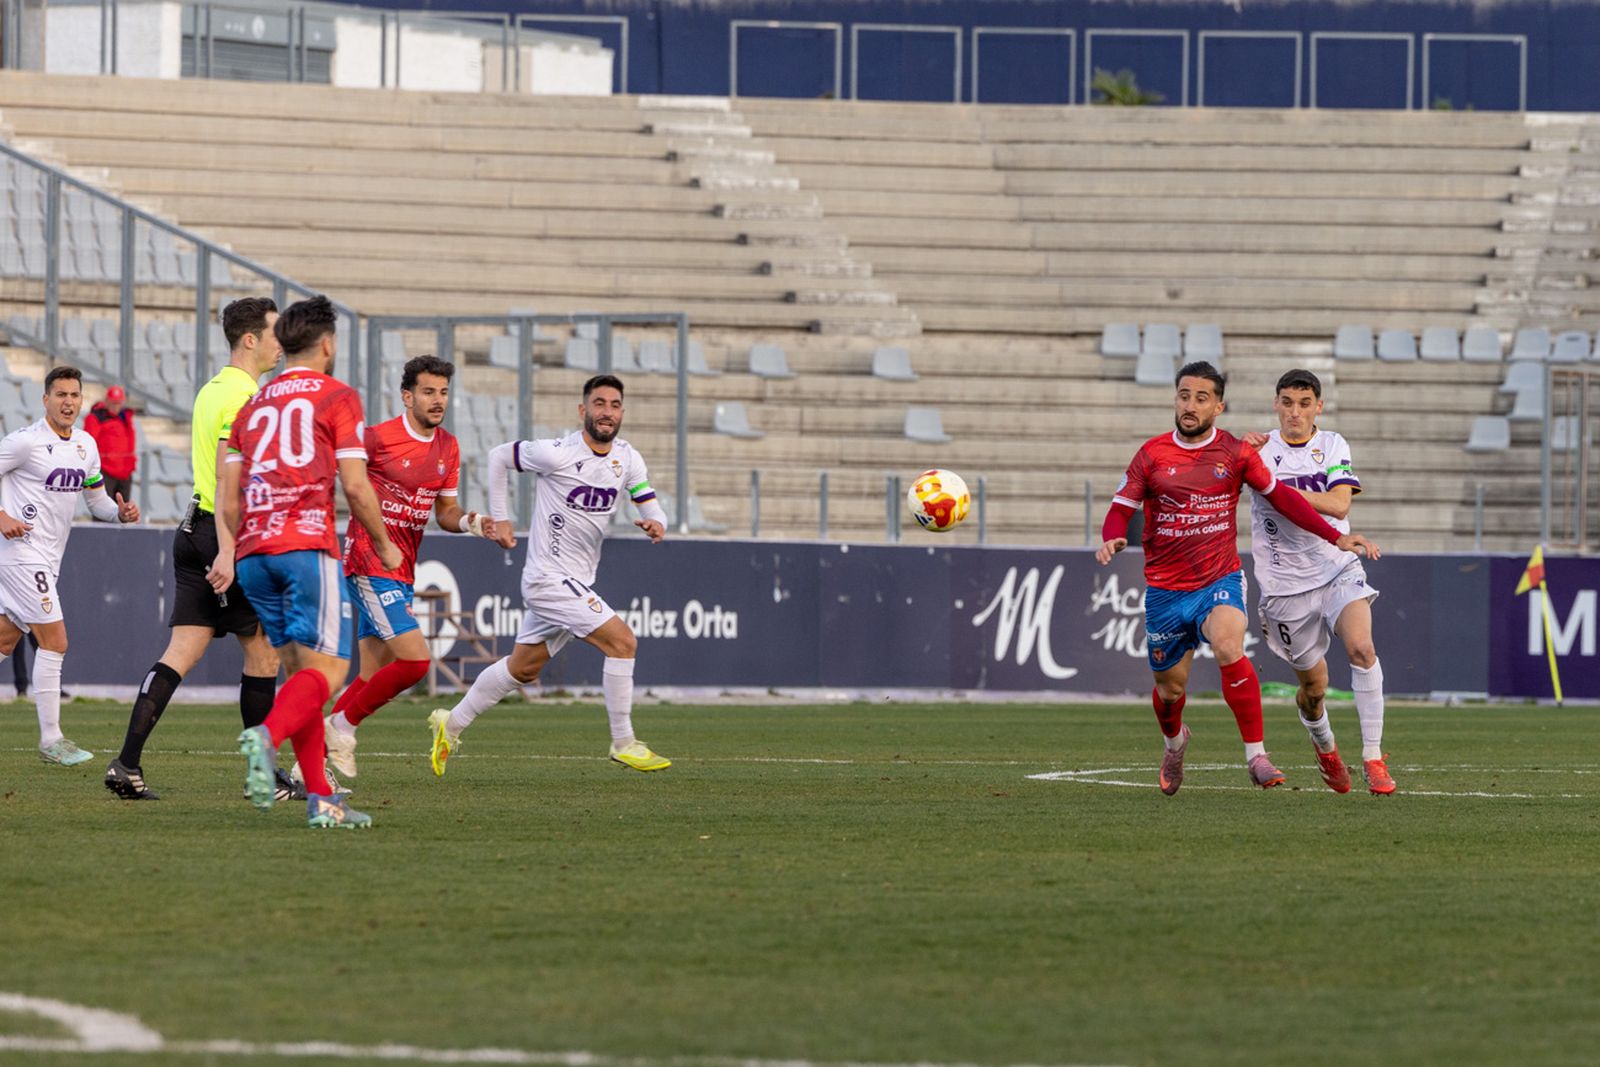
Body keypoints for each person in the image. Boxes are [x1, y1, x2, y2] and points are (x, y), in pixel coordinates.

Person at [1095, 361, 1379, 796]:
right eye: (1184, 396)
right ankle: (1175, 742)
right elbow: (1120, 509)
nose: (1190, 406)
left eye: (1201, 398)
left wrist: (1334, 537)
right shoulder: (1152, 454)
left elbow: (1282, 498)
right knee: (1170, 692)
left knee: (1230, 646)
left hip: (1220, 578)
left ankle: (1257, 755)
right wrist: (1112, 536)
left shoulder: (1236, 453)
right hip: (1167, 590)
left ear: (1218, 406)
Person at [427, 373, 671, 777]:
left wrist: (656, 521)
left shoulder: (627, 458)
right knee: (623, 642)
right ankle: (624, 742)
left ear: (622, 413)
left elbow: (648, 501)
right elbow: (498, 456)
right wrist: (502, 518)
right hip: (547, 578)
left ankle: (449, 725)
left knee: (523, 668)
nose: (607, 412)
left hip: (577, 581)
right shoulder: (557, 453)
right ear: (583, 410)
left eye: (614, 405)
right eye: (599, 404)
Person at [221, 295, 401, 829]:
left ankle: (323, 802)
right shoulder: (338, 397)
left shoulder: (252, 405)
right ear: (327, 344)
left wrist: (243, 542)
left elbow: (228, 501)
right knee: (330, 672)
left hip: (253, 555)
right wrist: (385, 544)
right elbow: (356, 486)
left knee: (301, 675)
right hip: (305, 549)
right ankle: (265, 738)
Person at [104, 298, 290, 801]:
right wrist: (229, 550)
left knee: (181, 653)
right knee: (263, 653)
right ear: (249, 339)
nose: (281, 343)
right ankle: (263, 777)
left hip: (193, 528)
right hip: (224, 534)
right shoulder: (246, 397)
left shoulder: (212, 389)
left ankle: (126, 763)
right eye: (274, 333)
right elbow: (230, 478)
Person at [317, 355, 495, 781]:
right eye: (428, 392)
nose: (438, 400)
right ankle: (340, 727)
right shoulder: (377, 439)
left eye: (444, 392)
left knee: (371, 675)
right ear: (407, 396)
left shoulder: (448, 447)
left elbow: (445, 511)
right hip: (369, 560)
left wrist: (473, 523)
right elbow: (346, 482)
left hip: (401, 569)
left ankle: (310, 771)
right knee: (415, 663)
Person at [1246, 369, 1395, 795]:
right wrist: (1247, 463)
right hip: (1285, 585)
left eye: (1304, 403)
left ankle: (1373, 757)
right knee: (1314, 690)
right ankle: (1325, 746)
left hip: (1337, 566)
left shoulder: (1332, 444)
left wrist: (1275, 489)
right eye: (1287, 403)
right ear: (1276, 404)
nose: (1295, 412)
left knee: (1362, 648)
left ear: (1319, 407)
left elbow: (1339, 503)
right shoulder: (1257, 451)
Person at [0, 366, 140, 765]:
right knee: (55, 642)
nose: (68, 402)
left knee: (5, 640)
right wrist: (1, 516)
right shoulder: (24, 442)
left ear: (81, 400)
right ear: (45, 399)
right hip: (20, 553)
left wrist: (119, 514)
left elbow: (96, 501)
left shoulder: (85, 445)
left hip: (49, 557)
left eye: (74, 395)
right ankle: (52, 740)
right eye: (60, 394)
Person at [83, 385, 136, 505]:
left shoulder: (125, 417)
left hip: (124, 471)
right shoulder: (96, 417)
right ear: (106, 401)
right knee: (103, 508)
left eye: (118, 403)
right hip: (105, 470)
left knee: (123, 509)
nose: (116, 406)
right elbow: (89, 443)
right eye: (113, 403)